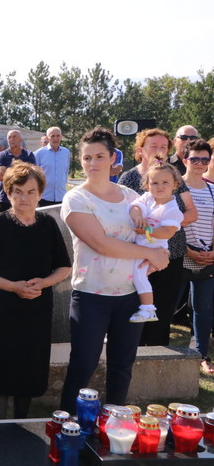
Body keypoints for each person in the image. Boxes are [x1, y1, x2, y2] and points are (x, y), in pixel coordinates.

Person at [59, 127, 169, 413]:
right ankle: (68, 427)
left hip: (130, 296)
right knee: (84, 365)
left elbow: (149, 233)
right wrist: (150, 254)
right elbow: (101, 244)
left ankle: (114, 424)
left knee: (122, 366)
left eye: (99, 156)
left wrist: (159, 254)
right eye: (86, 158)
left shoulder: (132, 195)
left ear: (112, 159)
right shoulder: (76, 199)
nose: (92, 163)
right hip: (91, 296)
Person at [0, 162, 71, 419]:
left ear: (40, 194)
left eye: (30, 192)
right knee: (0, 363)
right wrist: (14, 287)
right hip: (2, 306)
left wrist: (44, 283)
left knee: (30, 364)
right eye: (17, 191)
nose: (24, 198)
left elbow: (64, 267)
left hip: (37, 306)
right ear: (8, 192)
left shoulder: (48, 225)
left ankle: (22, 420)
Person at [118, 128, 196, 346]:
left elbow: (192, 212)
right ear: (141, 150)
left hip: (171, 254)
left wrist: (164, 225)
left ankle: (157, 354)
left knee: (162, 308)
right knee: (134, 304)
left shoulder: (173, 175)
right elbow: (126, 212)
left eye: (164, 147)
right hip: (137, 253)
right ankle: (132, 352)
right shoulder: (130, 177)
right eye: (154, 146)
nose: (159, 151)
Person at [127, 163, 183, 323]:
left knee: (138, 276)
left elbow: (167, 232)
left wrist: (146, 231)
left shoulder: (172, 209)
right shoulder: (147, 198)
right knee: (133, 275)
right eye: (154, 183)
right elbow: (135, 207)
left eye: (165, 182)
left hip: (154, 249)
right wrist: (137, 216)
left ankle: (148, 308)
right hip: (139, 247)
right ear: (147, 185)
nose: (160, 187)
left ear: (175, 184)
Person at [180, 139, 214, 374]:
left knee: (204, 307)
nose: (200, 163)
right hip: (181, 255)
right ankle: (157, 349)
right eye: (195, 159)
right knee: (167, 305)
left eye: (205, 159)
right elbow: (169, 225)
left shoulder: (212, 189)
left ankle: (201, 354)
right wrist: (188, 250)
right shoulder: (175, 187)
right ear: (185, 160)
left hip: (208, 257)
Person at [0, 130, 35, 212]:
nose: (11, 139)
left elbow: (32, 175)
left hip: (24, 199)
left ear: (20, 140)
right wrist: (23, 172)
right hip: (5, 198)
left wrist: (8, 171)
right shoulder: (2, 155)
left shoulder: (28, 155)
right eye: (9, 137)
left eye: (14, 137)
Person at [34, 126, 71, 207]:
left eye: (58, 136)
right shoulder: (38, 154)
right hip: (44, 197)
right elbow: (35, 175)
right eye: (52, 136)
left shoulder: (66, 152)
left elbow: (65, 171)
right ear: (47, 138)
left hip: (61, 196)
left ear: (61, 137)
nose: (55, 138)